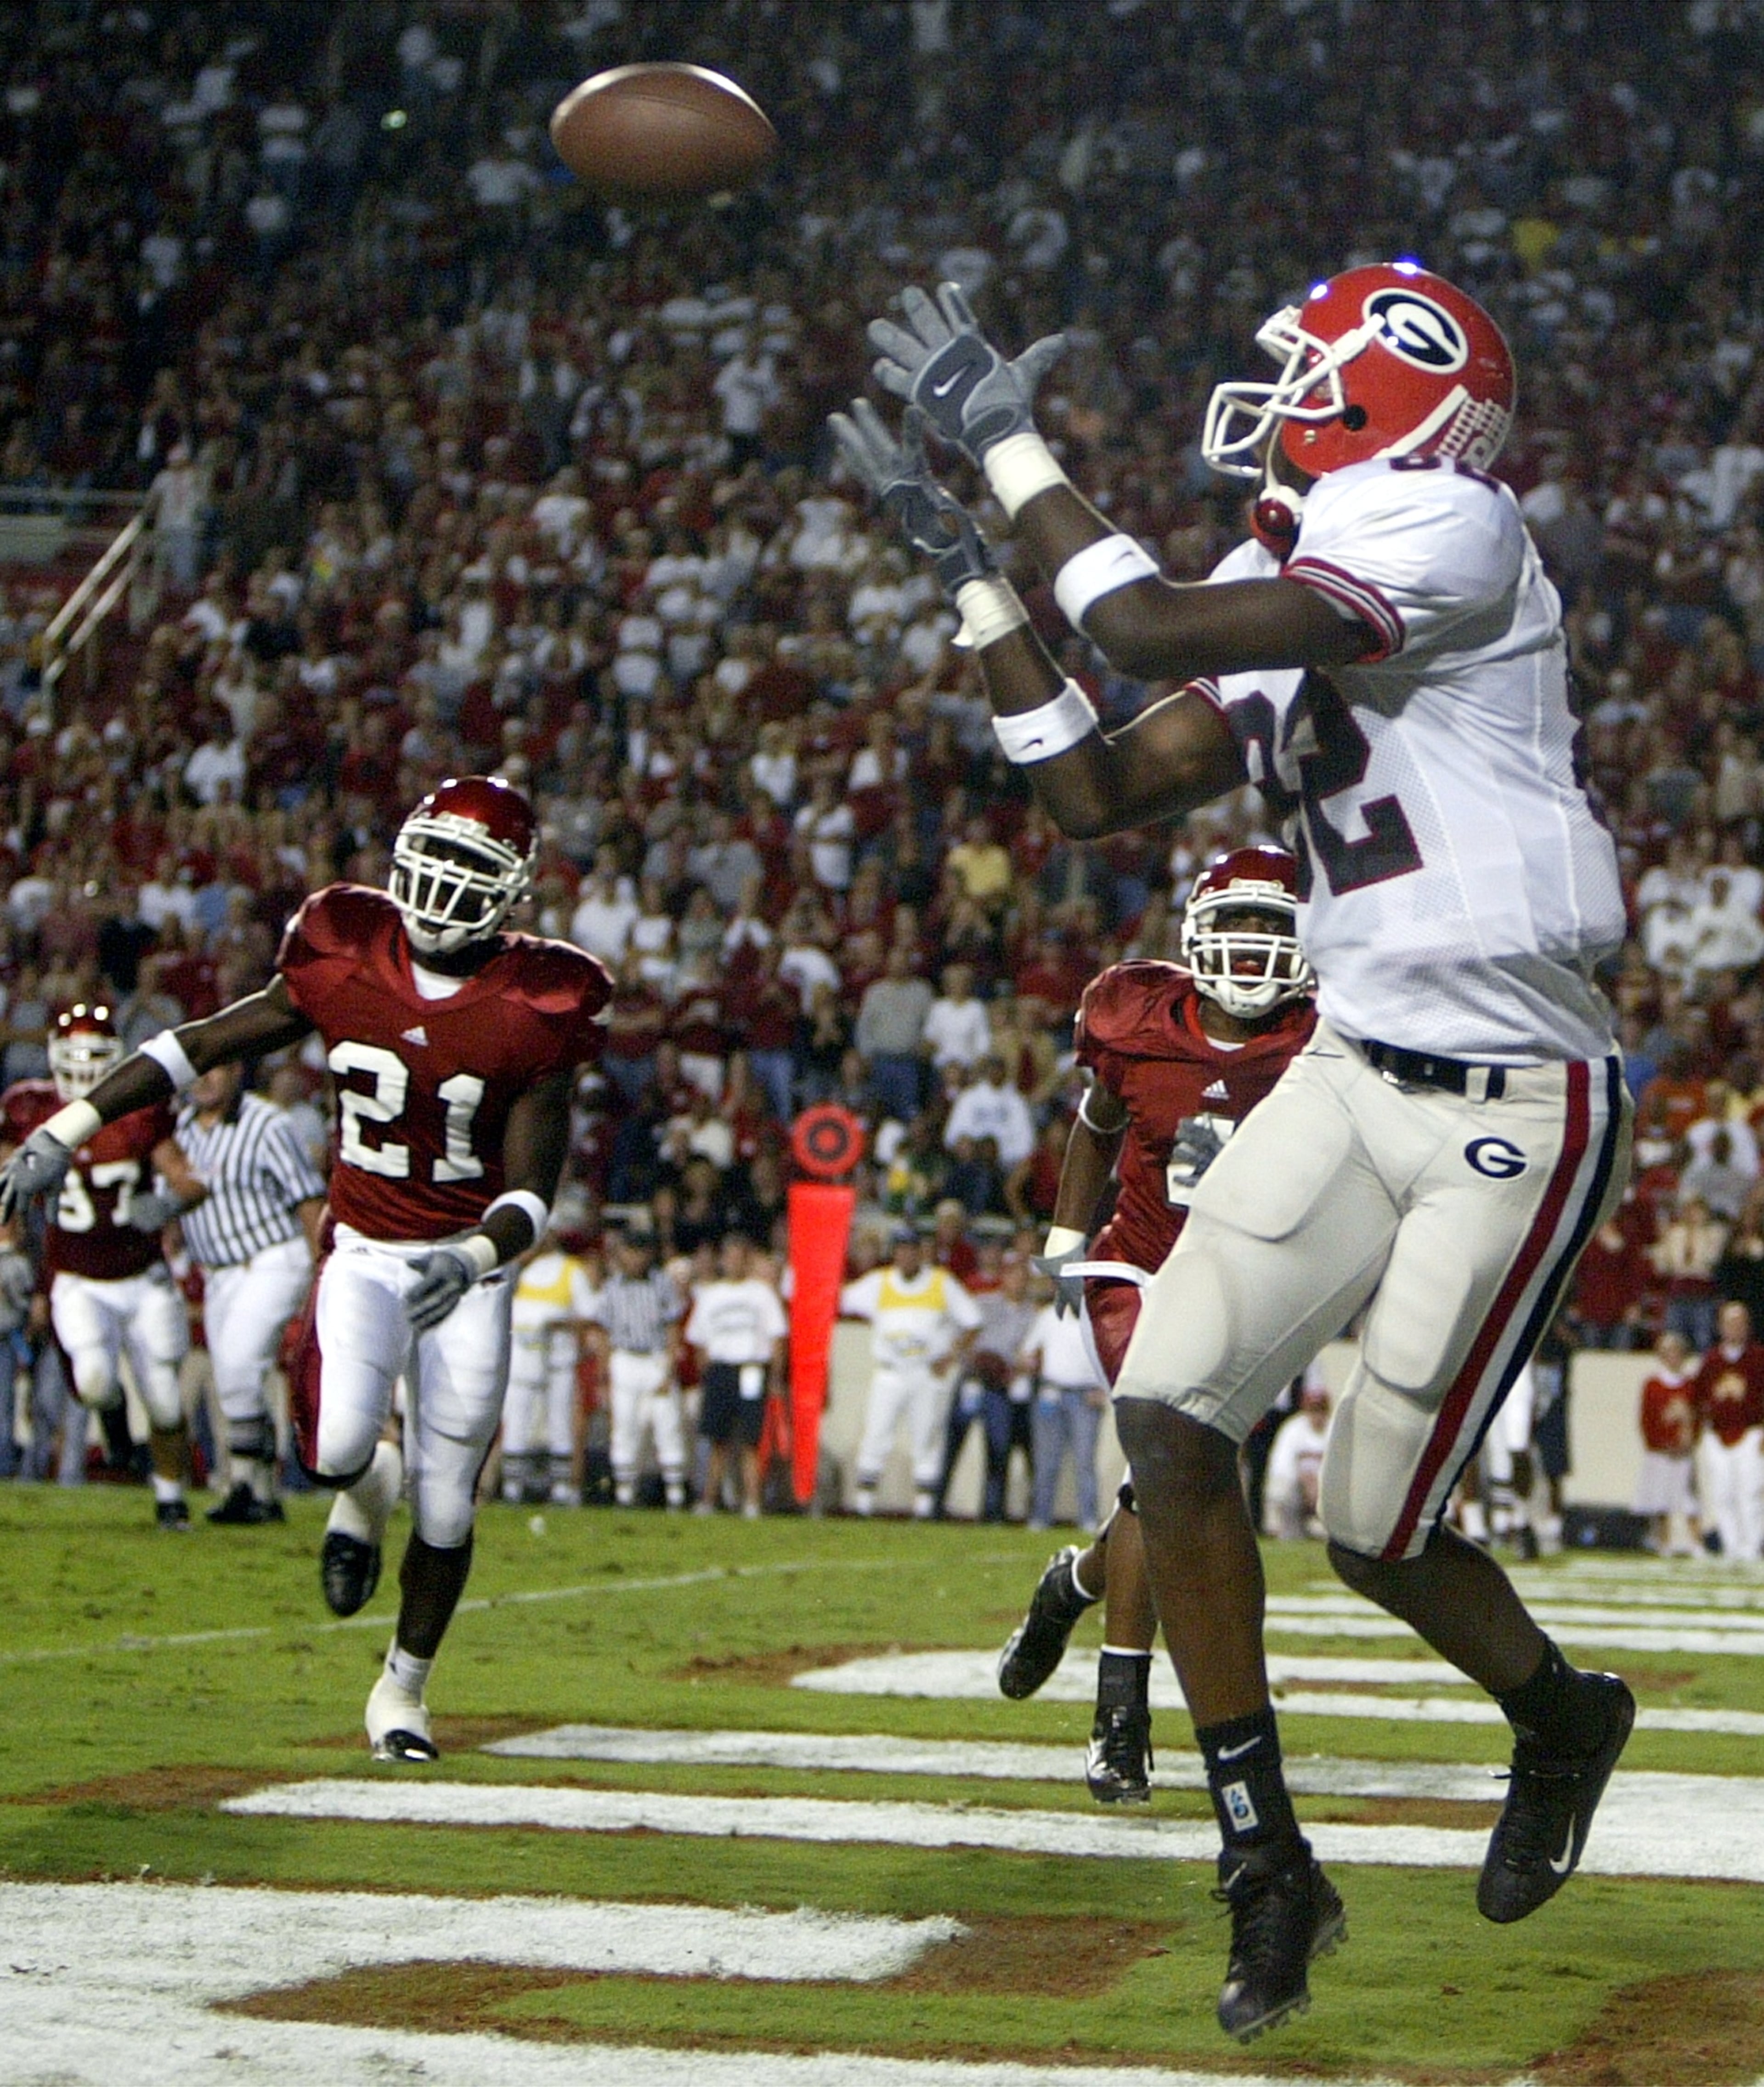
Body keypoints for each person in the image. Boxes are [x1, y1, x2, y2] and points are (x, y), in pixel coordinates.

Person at [844, 258, 1634, 2039]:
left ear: (1391, 398)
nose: (1270, 396)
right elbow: (1105, 788)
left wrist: (1008, 444)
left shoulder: (1448, 521)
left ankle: (1562, 1712)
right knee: (1170, 1421)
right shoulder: (1327, 563)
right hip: (1355, 1064)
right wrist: (983, 585)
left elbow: (1142, 634)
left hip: (1514, 1091)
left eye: (1303, 371)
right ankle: (1264, 1856)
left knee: (1375, 1528)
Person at [0, 777, 612, 1762]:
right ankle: (363, 1492)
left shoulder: (542, 1002)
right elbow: (193, 1043)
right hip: (366, 1248)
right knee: (333, 1450)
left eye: (472, 870)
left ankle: (402, 1694)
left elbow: (536, 1185)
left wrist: (475, 1255)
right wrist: (70, 1129)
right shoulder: (344, 947)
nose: (446, 887)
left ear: (515, 894)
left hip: (471, 1268)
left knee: (451, 1501)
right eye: (437, 858)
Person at [994, 851, 1315, 1810]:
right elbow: (1097, 1123)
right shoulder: (1133, 1014)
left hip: (1254, 1283)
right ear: (1196, 934)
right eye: (1240, 928)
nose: (1254, 953)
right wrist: (1063, 1238)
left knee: (1180, 1487)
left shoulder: (1330, 1038)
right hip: (1138, 1267)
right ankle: (1119, 1718)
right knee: (1163, 1473)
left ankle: (1075, 1584)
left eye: (1273, 931)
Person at [0, 1004, 206, 1528]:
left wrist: (167, 1204)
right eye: (75, 1058)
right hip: (77, 1278)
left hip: (142, 1274)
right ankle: (115, 1424)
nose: (85, 1070)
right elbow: (8, 1186)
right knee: (93, 1380)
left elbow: (190, 1180)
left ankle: (169, 1497)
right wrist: (7, 1246)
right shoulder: (30, 1107)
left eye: (96, 1058)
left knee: (163, 1398)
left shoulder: (137, 1110)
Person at [158, 1056, 327, 1524]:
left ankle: (247, 1488)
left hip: (271, 1259)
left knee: (238, 1366)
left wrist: (323, 1266)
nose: (206, 1077)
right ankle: (261, 1491)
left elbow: (307, 1195)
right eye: (198, 1069)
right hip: (217, 1272)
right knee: (235, 1377)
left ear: (238, 1072)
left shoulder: (268, 1123)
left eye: (217, 1067)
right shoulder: (180, 1129)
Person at [841, 1223, 980, 1519]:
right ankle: (864, 1502)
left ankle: (924, 1507)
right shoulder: (880, 1283)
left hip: (925, 1373)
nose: (905, 1256)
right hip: (890, 1372)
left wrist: (950, 1356)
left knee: (926, 1437)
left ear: (921, 1253)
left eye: (911, 1250)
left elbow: (972, 1322)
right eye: (900, 1250)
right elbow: (840, 1298)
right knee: (877, 1433)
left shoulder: (941, 1283)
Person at [682, 1232, 787, 1517]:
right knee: (717, 1440)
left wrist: (775, 1378)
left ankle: (752, 1502)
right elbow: (698, 1340)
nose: (734, 1263)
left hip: (752, 1368)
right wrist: (708, 1374)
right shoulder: (711, 1295)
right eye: (730, 1258)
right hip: (721, 1369)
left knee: (751, 1440)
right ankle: (709, 1499)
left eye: (740, 1258)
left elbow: (777, 1337)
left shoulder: (761, 1293)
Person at [587, 1227, 689, 1509]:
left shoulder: (661, 1284)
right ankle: (625, 1492)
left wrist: (669, 1368)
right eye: (629, 1252)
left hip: (655, 1358)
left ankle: (676, 1493)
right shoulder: (613, 1287)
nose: (633, 1258)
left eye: (638, 1252)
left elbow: (672, 1327)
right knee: (625, 1424)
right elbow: (605, 1331)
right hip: (625, 1357)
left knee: (666, 1422)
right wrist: (604, 1372)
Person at [501, 1230, 596, 1507]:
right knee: (517, 1421)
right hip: (521, 1360)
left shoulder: (571, 1270)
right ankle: (512, 1487)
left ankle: (562, 1488)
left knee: (559, 1423)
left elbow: (589, 1315)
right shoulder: (518, 1270)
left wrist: (558, 1325)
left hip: (558, 1361)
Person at [1691, 1299, 1764, 1561]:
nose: (1735, 1328)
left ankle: (1751, 1547)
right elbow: (1698, 1398)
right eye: (1729, 1323)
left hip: (1752, 1432)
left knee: (1751, 1492)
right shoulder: (1711, 1360)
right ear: (1720, 1326)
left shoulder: (1758, 1357)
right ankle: (1732, 1547)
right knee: (1722, 1493)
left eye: (1740, 1322)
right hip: (1717, 1435)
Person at [1635, 1328, 1701, 1559]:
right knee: (1661, 1498)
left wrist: (1689, 1441)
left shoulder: (1690, 1384)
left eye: (1677, 1352)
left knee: (1689, 1498)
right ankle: (1664, 1542)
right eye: (1668, 1352)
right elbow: (1647, 1420)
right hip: (1661, 1452)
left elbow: (1698, 1416)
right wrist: (1662, 1444)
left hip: (1683, 1452)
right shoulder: (1653, 1385)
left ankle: (1696, 1542)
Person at [1261, 1377, 1332, 1540]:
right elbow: (1282, 1469)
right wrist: (1306, 1482)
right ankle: (1290, 1531)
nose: (1318, 1415)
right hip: (1296, 1488)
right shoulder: (1293, 1429)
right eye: (1314, 1410)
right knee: (1284, 1491)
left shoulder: (1334, 1429)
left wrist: (1317, 1484)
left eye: (1321, 1410)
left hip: (1323, 1490)